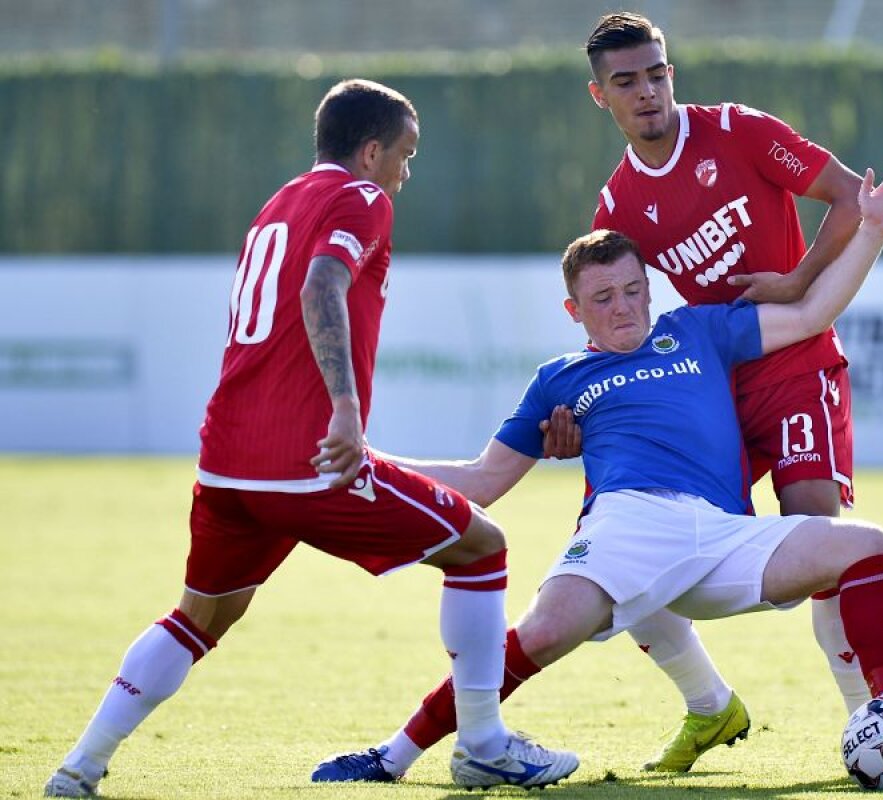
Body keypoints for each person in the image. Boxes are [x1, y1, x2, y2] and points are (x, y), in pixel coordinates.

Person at [311, 161, 883, 783]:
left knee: (864, 544)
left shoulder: (696, 329)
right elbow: (481, 480)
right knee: (544, 632)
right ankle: (392, 756)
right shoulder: (559, 378)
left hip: (722, 534)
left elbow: (810, 315)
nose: (624, 307)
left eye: (634, 289)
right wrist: (368, 462)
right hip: (626, 528)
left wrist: (873, 230)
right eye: (603, 298)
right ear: (573, 308)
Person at [43, 79, 577, 798]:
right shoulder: (363, 198)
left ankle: (78, 769)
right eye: (405, 155)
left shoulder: (279, 203)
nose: (405, 173)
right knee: (482, 546)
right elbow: (322, 284)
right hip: (307, 462)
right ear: (370, 149)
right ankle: (482, 744)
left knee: (198, 618)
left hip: (228, 465)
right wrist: (347, 412)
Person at [543, 10, 880, 772]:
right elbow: (616, 318)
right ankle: (708, 706)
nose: (647, 91)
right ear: (601, 96)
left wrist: (795, 280)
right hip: (708, 387)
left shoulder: (738, 130)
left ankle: (874, 720)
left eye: (657, 73)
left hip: (792, 361)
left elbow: (854, 197)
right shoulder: (618, 205)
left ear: (672, 71)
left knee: (818, 544)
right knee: (612, 543)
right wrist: (580, 413)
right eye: (626, 81)